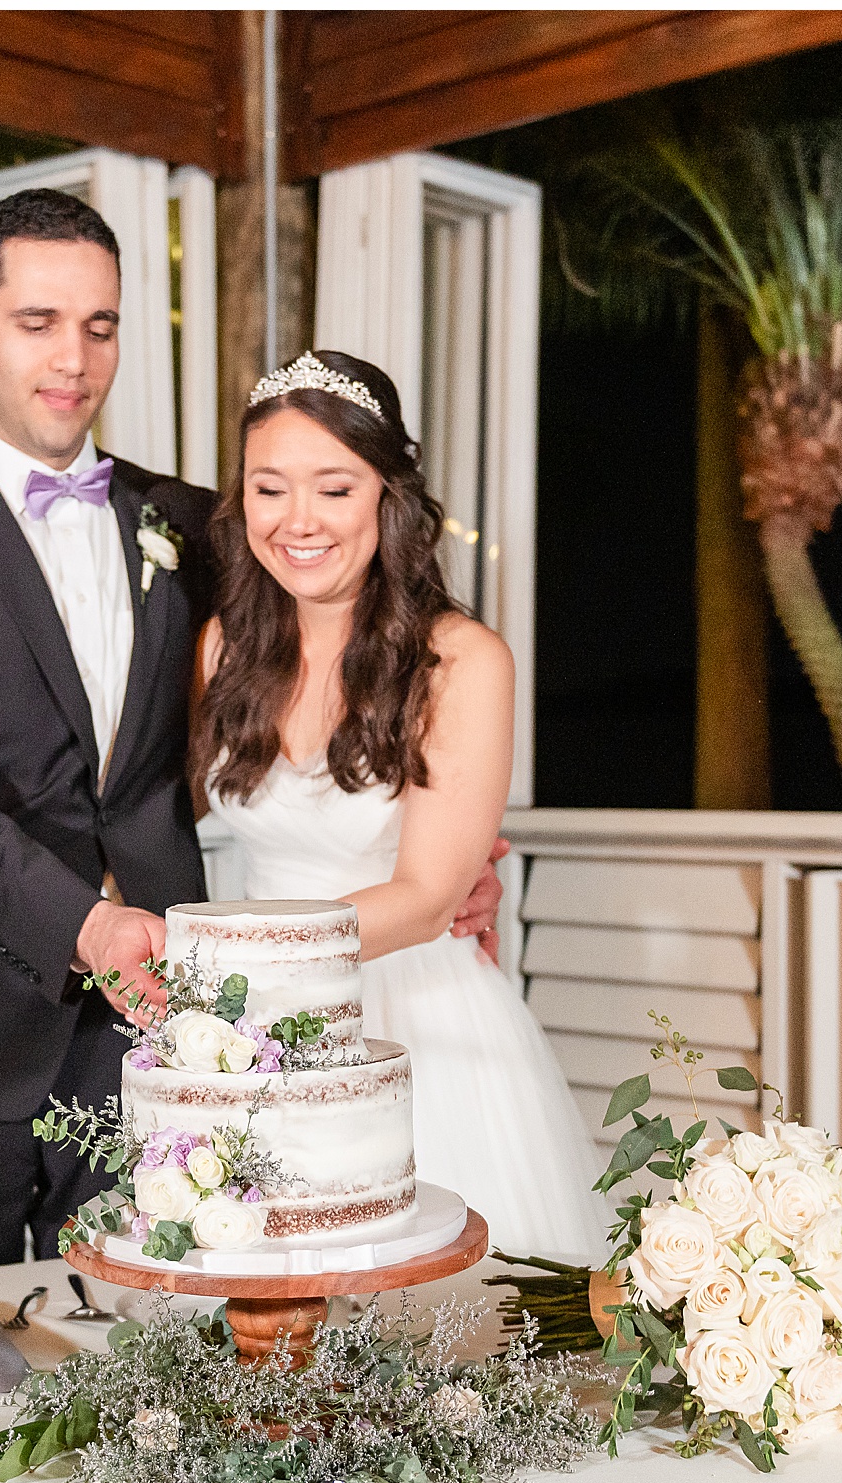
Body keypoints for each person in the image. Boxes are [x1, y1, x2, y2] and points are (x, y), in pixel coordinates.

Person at [0, 196, 503, 1284]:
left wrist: (455, 858)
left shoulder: (193, 526)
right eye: (37, 320)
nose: (72, 358)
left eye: (101, 324)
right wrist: (91, 929)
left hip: (169, 1050)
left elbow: (338, 663)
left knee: (145, 1366)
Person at [194, 350, 609, 1261]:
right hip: (252, 1032)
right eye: (270, 489)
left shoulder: (463, 661)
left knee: (429, 1349)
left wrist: (224, 960)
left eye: (334, 489)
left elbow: (428, 894)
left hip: (418, 1027)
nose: (298, 521)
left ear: (389, 498)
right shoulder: (225, 646)